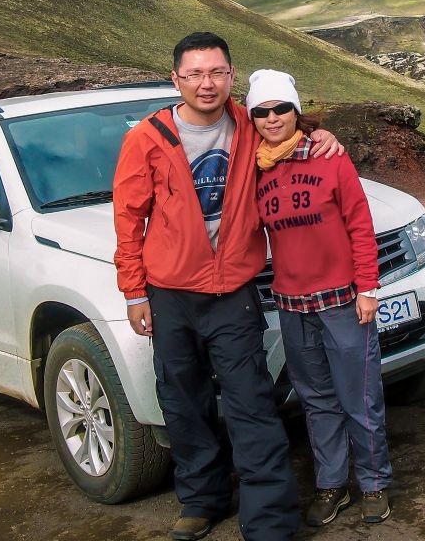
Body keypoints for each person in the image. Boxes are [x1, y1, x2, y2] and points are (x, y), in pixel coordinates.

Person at [112, 32, 343, 541]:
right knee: (183, 402)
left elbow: (288, 127)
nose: (206, 83)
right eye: (194, 74)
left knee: (251, 404)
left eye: (216, 72)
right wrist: (134, 292)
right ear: (176, 79)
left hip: (233, 293)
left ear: (231, 76)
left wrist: (320, 135)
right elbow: (128, 219)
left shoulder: (248, 125)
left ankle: (269, 523)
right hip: (170, 294)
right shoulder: (147, 138)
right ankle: (201, 500)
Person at [246, 69, 393, 527]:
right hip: (292, 305)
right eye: (262, 111)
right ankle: (332, 484)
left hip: (343, 302)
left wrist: (368, 288)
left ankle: (374, 483)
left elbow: (360, 223)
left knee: (359, 396)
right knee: (317, 400)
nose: (272, 118)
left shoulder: (329, 156)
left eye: (281, 108)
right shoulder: (253, 167)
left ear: (296, 112)